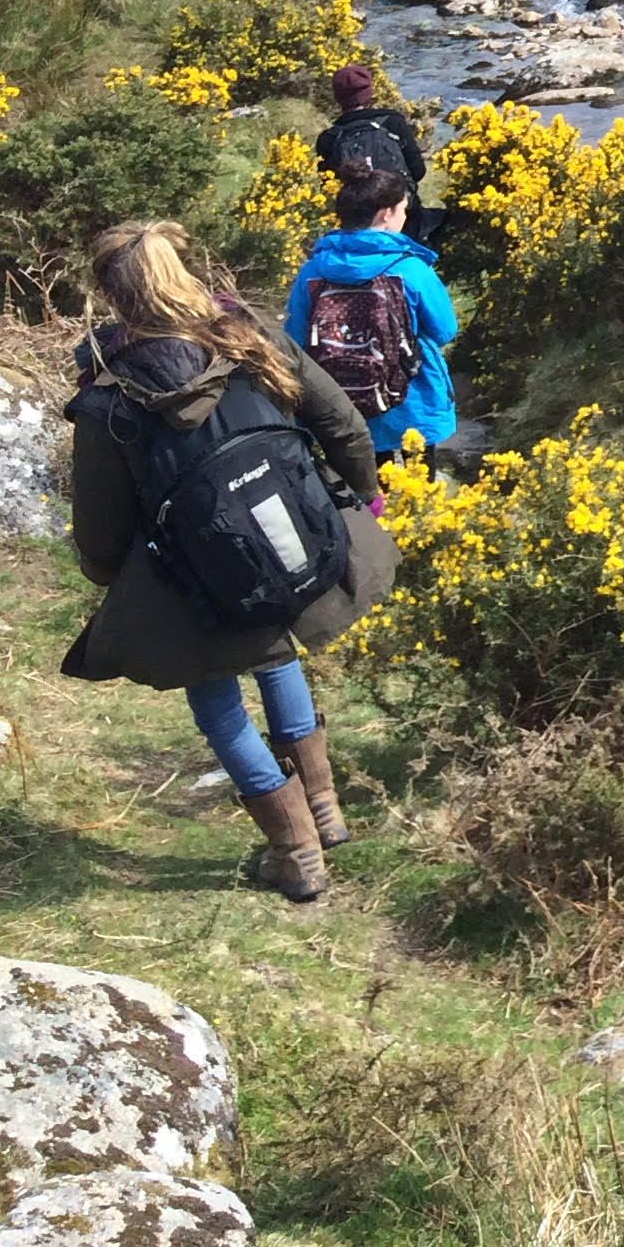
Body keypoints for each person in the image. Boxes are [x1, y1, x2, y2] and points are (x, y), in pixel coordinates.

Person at [63, 220, 398, 905]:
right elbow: (341, 425)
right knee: (278, 653)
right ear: (181, 268)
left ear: (110, 294)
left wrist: (124, 580)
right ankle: (326, 810)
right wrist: (363, 499)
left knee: (217, 703)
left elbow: (100, 539)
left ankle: (297, 853)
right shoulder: (248, 335)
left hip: (198, 578)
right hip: (290, 539)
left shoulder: (107, 399)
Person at [285, 159, 458, 463]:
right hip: (410, 398)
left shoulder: (313, 271)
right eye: (403, 209)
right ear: (386, 214)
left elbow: (295, 339)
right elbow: (445, 330)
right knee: (418, 494)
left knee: (367, 495)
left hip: (342, 401)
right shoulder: (410, 270)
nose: (405, 217)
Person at [313, 66, 431, 244]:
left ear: (338, 97)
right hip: (402, 216)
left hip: (356, 226)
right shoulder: (392, 122)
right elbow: (418, 170)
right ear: (369, 92)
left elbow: (329, 186)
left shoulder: (329, 138)